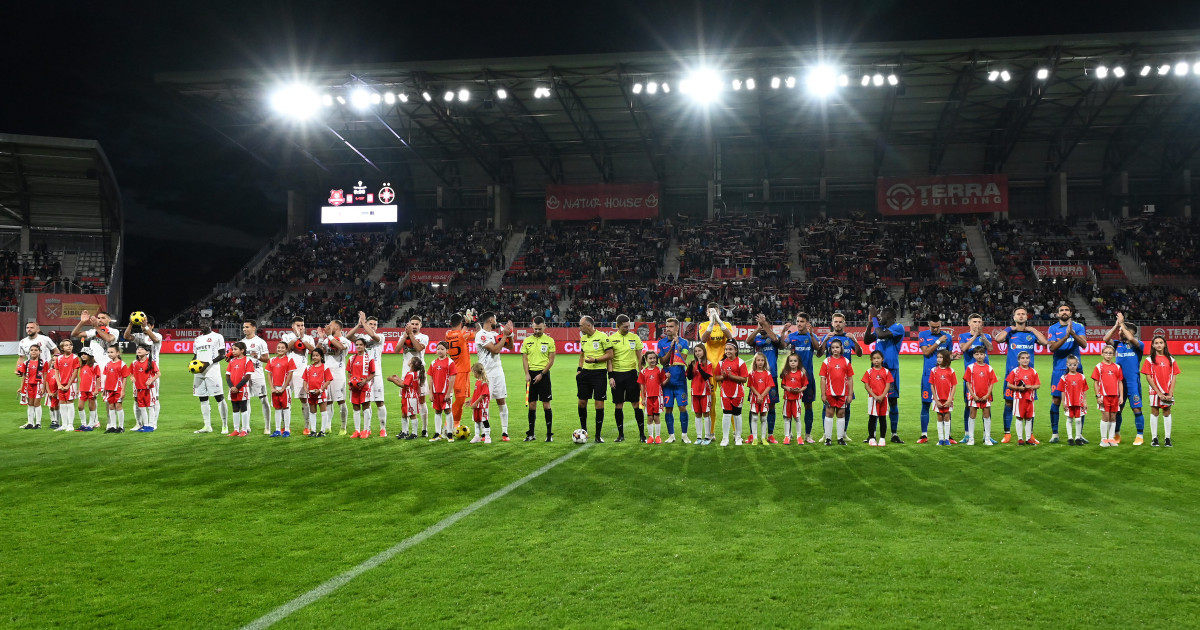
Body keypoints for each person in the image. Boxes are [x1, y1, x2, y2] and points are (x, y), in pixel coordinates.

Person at [993, 307, 1049, 443]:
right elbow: (998, 339)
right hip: (1012, 375)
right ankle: (1007, 433)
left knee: (1030, 404)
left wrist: (1034, 330)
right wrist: (1008, 329)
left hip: (1029, 376)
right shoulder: (1010, 334)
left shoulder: (1031, 334)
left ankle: (1030, 435)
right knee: (1008, 402)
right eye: (1018, 314)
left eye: (1023, 314)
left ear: (1027, 317)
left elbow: (1045, 342)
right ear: (1014, 317)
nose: (1021, 316)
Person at [1047, 304, 1088, 446]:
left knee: (1079, 402)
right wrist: (1066, 336)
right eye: (1061, 310)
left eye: (1066, 310)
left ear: (1071, 312)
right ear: (1057, 314)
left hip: (1077, 370)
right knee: (1056, 401)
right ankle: (1055, 433)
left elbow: (1084, 345)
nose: (1064, 312)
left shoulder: (1078, 326)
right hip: (1059, 370)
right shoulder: (1053, 328)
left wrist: (1073, 333)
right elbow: (1052, 348)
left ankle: (1079, 435)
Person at [864, 306, 905, 443]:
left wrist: (875, 319)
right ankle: (872, 435)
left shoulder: (898, 327)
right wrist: (871, 322)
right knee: (874, 400)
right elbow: (867, 340)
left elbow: (881, 335)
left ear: (888, 316)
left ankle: (894, 434)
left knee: (892, 401)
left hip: (891, 369)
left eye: (881, 316)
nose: (880, 318)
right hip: (876, 370)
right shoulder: (879, 328)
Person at [1103, 314, 1145, 445]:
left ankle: (1139, 436)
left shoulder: (1139, 345)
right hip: (1119, 384)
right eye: (1120, 331)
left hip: (1133, 383)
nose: (1120, 332)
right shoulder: (1117, 344)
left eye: (1122, 330)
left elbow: (1131, 338)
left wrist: (1122, 324)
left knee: (1136, 409)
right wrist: (1116, 325)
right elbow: (1106, 339)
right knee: (1117, 410)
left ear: (1131, 332)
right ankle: (1116, 434)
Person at [346, 312, 388, 436]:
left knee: (379, 401)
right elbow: (348, 336)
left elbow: (373, 335)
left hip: (376, 374)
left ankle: (382, 428)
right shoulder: (361, 338)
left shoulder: (381, 336)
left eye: (375, 324)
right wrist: (359, 325)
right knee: (366, 403)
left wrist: (364, 323)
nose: (373, 326)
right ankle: (366, 429)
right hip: (362, 375)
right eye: (371, 324)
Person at [474, 311, 515, 440]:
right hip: (486, 374)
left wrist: (511, 335)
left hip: (498, 372)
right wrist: (504, 335)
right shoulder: (481, 335)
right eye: (495, 319)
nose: (496, 321)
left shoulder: (495, 334)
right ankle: (483, 433)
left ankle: (505, 432)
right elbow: (495, 349)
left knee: (501, 400)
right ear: (491, 320)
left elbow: (510, 347)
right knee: (483, 403)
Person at [954, 313, 993, 444]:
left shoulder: (986, 336)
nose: (977, 324)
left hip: (985, 377)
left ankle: (986, 435)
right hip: (970, 378)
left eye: (979, 322)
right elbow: (964, 349)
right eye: (975, 322)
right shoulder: (963, 336)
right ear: (969, 323)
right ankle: (967, 434)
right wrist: (975, 336)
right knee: (968, 405)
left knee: (987, 405)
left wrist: (981, 335)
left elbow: (991, 348)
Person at [699, 303, 736, 440]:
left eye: (715, 311)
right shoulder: (703, 325)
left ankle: (734, 432)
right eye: (710, 312)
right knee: (712, 401)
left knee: (729, 398)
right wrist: (711, 323)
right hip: (709, 368)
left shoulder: (725, 324)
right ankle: (711, 432)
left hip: (724, 367)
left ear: (720, 312)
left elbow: (730, 337)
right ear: (707, 313)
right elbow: (703, 339)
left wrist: (719, 322)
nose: (713, 313)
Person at [822, 312, 862, 438]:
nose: (838, 324)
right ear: (832, 323)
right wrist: (825, 341)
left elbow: (860, 353)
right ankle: (826, 433)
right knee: (827, 406)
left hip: (845, 379)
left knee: (847, 405)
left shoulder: (849, 338)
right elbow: (818, 354)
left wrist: (855, 340)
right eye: (836, 321)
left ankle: (843, 432)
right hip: (830, 380)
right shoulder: (827, 337)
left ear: (844, 323)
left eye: (840, 322)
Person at [784, 312, 822, 443]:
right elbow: (782, 345)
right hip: (792, 377)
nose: (799, 324)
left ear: (807, 323)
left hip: (808, 377)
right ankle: (789, 433)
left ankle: (807, 434)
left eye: (802, 321)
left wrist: (811, 334)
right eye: (797, 321)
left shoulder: (812, 336)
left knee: (808, 405)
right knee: (790, 404)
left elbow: (819, 352)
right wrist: (784, 332)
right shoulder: (792, 336)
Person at [916, 315, 953, 443]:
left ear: (941, 324)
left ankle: (948, 435)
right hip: (928, 375)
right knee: (925, 403)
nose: (935, 329)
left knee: (947, 404)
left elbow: (948, 355)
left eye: (937, 327)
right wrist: (938, 342)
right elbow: (926, 352)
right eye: (933, 327)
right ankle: (924, 435)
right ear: (928, 324)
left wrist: (952, 357)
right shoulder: (923, 334)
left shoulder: (947, 337)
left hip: (944, 376)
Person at [609, 314, 646, 442]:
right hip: (617, 375)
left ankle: (642, 435)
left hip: (631, 374)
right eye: (625, 327)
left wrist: (642, 372)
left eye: (629, 326)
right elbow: (609, 359)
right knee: (618, 405)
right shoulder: (612, 339)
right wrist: (611, 376)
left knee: (636, 404)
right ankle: (620, 435)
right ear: (618, 326)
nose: (628, 328)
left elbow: (640, 357)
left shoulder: (634, 338)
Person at [576, 316, 613, 442]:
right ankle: (584, 431)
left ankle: (598, 435)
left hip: (599, 374)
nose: (579, 327)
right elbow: (582, 355)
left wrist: (595, 360)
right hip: (585, 373)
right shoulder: (583, 338)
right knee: (581, 402)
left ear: (588, 325)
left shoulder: (603, 337)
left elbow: (610, 355)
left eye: (581, 325)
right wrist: (579, 369)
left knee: (599, 403)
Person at [656, 317, 691, 443]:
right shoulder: (661, 343)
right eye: (667, 326)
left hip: (680, 380)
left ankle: (684, 435)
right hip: (667, 382)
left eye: (671, 326)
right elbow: (662, 361)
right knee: (668, 409)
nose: (668, 329)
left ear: (677, 328)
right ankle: (671, 435)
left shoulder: (684, 342)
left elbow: (683, 358)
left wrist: (677, 346)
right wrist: (671, 347)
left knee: (682, 407)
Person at [191, 318, 229, 434]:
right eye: (200, 323)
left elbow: (222, 354)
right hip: (199, 372)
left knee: (219, 397)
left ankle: (224, 425)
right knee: (202, 398)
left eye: (205, 323)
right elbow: (195, 355)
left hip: (212, 371)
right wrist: (191, 365)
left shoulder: (217, 337)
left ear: (210, 324)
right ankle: (207, 426)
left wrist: (208, 363)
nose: (202, 325)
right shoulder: (197, 339)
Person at [748, 314, 782, 444]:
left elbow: (776, 340)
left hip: (770, 376)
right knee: (753, 405)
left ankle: (770, 435)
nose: (762, 326)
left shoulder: (773, 337)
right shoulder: (756, 339)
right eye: (760, 323)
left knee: (771, 406)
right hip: (756, 377)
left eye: (764, 323)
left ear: (769, 325)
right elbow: (747, 342)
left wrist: (765, 326)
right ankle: (752, 435)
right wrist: (758, 328)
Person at [279, 317, 316, 435]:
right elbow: (284, 349)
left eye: (302, 325)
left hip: (302, 371)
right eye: (298, 325)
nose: (300, 327)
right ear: (292, 326)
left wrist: (302, 338)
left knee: (304, 399)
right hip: (288, 371)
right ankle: (285, 426)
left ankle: (307, 426)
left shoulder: (308, 337)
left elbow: (313, 350)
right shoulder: (286, 336)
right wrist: (296, 337)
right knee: (285, 399)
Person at [521, 316, 555, 442]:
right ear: (532, 326)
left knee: (546, 405)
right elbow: (524, 358)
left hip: (544, 375)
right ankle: (531, 434)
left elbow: (551, 361)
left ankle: (549, 435)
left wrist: (542, 374)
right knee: (532, 405)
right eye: (535, 329)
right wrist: (526, 373)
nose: (537, 331)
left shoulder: (550, 340)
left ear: (544, 327)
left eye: (539, 329)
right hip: (530, 375)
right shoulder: (527, 341)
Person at [1141, 335, 1179, 447]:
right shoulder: (1149, 360)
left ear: (1165, 344)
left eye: (1161, 342)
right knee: (1155, 412)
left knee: (1167, 412)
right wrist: (1158, 392)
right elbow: (1148, 377)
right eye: (1156, 343)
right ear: (1152, 345)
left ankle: (1167, 438)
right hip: (1154, 391)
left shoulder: (1171, 359)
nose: (1158, 345)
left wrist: (1170, 392)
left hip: (1167, 390)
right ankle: (1154, 438)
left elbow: (1174, 376)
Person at [128, 315, 164, 430]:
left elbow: (156, 340)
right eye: (142, 325)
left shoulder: (157, 335)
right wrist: (130, 324)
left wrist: (146, 328)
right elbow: (126, 336)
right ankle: (139, 423)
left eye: (147, 325)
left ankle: (153, 423)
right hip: (138, 372)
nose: (144, 327)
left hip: (152, 373)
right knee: (136, 398)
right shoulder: (139, 336)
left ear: (152, 326)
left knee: (154, 398)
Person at [318, 320, 351, 436]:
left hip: (338, 375)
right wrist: (322, 339)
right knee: (328, 401)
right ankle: (328, 426)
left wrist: (330, 336)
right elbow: (316, 352)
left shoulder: (345, 340)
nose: (327, 326)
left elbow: (340, 348)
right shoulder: (327, 339)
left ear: (337, 327)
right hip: (326, 374)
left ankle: (343, 427)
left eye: (330, 325)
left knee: (341, 401)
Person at [239, 319, 272, 436]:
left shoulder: (260, 342)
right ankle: (246, 426)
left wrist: (257, 356)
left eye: (247, 327)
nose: (244, 329)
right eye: (244, 327)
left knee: (263, 399)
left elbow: (267, 359)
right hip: (244, 375)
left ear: (254, 328)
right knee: (246, 399)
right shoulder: (241, 342)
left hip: (257, 374)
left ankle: (267, 426)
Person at [399, 316, 431, 436]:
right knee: (405, 400)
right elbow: (397, 349)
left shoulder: (424, 337)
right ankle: (405, 430)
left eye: (416, 324)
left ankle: (424, 429)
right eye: (412, 323)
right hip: (406, 373)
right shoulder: (404, 336)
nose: (414, 326)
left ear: (420, 325)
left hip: (419, 374)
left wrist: (410, 335)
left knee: (421, 400)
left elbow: (418, 348)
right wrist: (404, 336)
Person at [17, 320, 58, 412]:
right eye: (27, 328)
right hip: (31, 373)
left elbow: (56, 351)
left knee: (50, 395)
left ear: (38, 329)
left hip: (46, 371)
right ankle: (31, 421)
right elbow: (21, 357)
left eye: (32, 327)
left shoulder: (45, 339)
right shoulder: (23, 342)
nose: (29, 329)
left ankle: (54, 420)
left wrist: (50, 363)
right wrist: (18, 369)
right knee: (30, 396)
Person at [819, 339, 853, 446]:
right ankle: (828, 438)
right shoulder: (826, 361)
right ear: (830, 349)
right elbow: (823, 378)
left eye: (837, 347)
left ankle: (840, 438)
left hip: (842, 393)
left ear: (841, 348)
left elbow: (850, 378)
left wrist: (850, 394)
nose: (835, 349)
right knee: (829, 413)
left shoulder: (846, 361)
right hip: (830, 393)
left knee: (841, 414)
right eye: (833, 347)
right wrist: (823, 394)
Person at [443, 312, 474, 431]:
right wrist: (472, 322)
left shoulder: (448, 334)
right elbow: (475, 334)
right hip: (462, 370)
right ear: (460, 323)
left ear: (450, 323)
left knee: (460, 400)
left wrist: (466, 323)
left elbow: (461, 333)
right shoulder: (463, 334)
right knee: (460, 399)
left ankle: (456, 423)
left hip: (455, 368)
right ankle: (447, 425)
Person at [963, 345, 999, 446]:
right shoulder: (970, 367)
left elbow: (992, 383)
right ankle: (971, 439)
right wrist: (973, 395)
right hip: (973, 396)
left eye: (981, 354)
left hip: (986, 396)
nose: (979, 356)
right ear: (974, 355)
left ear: (985, 355)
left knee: (986, 415)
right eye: (977, 354)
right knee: (972, 415)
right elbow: (968, 383)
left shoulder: (989, 368)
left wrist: (988, 394)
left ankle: (987, 439)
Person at [716, 341, 748, 447]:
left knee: (737, 415)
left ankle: (738, 437)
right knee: (726, 415)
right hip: (725, 393)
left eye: (730, 349)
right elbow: (716, 377)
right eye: (726, 349)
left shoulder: (741, 362)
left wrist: (732, 376)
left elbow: (744, 379)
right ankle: (725, 438)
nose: (728, 351)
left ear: (736, 350)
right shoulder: (721, 363)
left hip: (738, 393)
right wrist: (723, 377)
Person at [1092, 345, 1125, 447]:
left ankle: (1111, 438)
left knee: (1113, 417)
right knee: (1105, 416)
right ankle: (1103, 439)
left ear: (1113, 354)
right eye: (1106, 353)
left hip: (1115, 396)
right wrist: (1098, 396)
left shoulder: (1117, 367)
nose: (1108, 355)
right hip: (1104, 396)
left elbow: (1120, 382)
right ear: (1102, 354)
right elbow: (1096, 382)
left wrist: (1121, 396)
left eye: (1110, 353)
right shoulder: (1099, 366)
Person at [1006, 351, 1041, 446]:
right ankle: (1020, 439)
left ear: (1029, 359)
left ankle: (1029, 438)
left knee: (1029, 418)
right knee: (1019, 417)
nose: (1025, 360)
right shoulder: (1015, 371)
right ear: (1018, 360)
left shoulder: (1033, 371)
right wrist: (1018, 388)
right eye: (1023, 358)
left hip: (1030, 398)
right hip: (1019, 398)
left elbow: (1038, 385)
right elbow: (1009, 384)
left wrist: (1031, 387)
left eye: (1027, 358)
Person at [860, 349, 894, 447]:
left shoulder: (886, 371)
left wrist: (882, 395)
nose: (876, 360)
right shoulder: (869, 372)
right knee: (872, 418)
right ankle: (871, 438)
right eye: (874, 358)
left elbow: (888, 385)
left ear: (882, 359)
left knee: (883, 418)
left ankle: (882, 438)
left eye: (878, 358)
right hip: (872, 398)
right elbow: (866, 385)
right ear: (871, 360)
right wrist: (874, 396)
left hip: (884, 399)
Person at [427, 341, 457, 441]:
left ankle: (449, 433)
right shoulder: (433, 363)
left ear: (447, 351)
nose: (440, 351)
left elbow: (453, 378)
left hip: (446, 392)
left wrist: (449, 392)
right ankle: (437, 434)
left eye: (442, 349)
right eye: (438, 349)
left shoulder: (450, 362)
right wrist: (430, 392)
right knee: (437, 411)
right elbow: (430, 378)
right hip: (436, 392)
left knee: (448, 411)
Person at [389, 357, 425, 440]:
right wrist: (398, 378)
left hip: (410, 397)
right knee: (404, 414)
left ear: (411, 364)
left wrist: (393, 380)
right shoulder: (414, 373)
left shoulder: (411, 374)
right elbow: (406, 383)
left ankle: (414, 433)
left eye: (410, 360)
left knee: (412, 415)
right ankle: (404, 432)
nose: (408, 361)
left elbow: (404, 385)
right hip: (408, 397)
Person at [267, 341, 298, 437]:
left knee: (286, 408)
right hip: (274, 389)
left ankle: (287, 429)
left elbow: (290, 374)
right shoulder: (272, 360)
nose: (280, 349)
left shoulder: (289, 360)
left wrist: (284, 388)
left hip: (285, 389)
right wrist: (272, 388)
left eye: (282, 348)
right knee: (277, 409)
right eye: (278, 347)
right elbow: (269, 374)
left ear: (286, 349)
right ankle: (277, 429)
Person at [301, 347, 332, 437]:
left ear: (321, 357)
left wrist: (321, 390)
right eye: (313, 356)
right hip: (311, 393)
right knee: (312, 411)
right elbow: (305, 379)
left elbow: (328, 380)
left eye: (317, 355)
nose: (314, 357)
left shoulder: (325, 367)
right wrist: (305, 388)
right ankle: (313, 431)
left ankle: (322, 430)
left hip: (321, 393)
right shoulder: (308, 368)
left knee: (323, 411)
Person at [779, 353, 810, 445]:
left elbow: (805, 386)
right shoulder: (786, 373)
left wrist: (799, 390)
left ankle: (799, 437)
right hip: (787, 399)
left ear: (798, 362)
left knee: (797, 418)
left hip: (797, 399)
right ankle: (787, 436)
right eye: (791, 361)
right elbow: (783, 385)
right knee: (787, 418)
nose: (793, 363)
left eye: (795, 361)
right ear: (788, 362)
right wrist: (788, 388)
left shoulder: (801, 373)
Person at [686, 346, 715, 445]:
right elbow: (689, 377)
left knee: (706, 414)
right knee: (697, 414)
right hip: (695, 392)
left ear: (704, 351)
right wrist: (690, 367)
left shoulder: (709, 363)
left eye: (700, 351)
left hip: (705, 392)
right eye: (696, 351)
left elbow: (706, 376)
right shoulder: (693, 363)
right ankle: (699, 437)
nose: (698, 353)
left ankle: (707, 437)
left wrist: (698, 366)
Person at [747, 351, 776, 446]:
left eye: (762, 360)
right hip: (754, 398)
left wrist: (762, 395)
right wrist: (758, 395)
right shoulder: (751, 373)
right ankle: (755, 438)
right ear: (755, 361)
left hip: (764, 398)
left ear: (765, 362)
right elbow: (751, 385)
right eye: (758, 360)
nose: (760, 362)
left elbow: (769, 386)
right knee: (754, 417)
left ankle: (763, 438)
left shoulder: (767, 373)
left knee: (763, 418)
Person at [638, 351, 668, 443]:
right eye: (650, 358)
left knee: (656, 417)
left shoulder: (659, 370)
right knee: (650, 418)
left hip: (658, 397)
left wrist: (668, 378)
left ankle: (658, 437)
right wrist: (643, 398)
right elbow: (642, 385)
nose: (653, 360)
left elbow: (662, 384)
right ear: (646, 360)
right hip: (648, 398)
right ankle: (651, 437)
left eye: (654, 358)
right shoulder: (643, 372)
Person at [225, 341, 254, 437]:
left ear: (242, 350)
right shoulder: (232, 361)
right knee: (235, 408)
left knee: (243, 408)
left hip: (242, 388)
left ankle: (244, 429)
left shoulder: (247, 360)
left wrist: (237, 387)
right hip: (233, 389)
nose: (232, 351)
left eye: (235, 349)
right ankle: (236, 429)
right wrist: (231, 387)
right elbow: (227, 376)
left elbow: (247, 376)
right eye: (232, 349)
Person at [1058, 356, 1088, 446]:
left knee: (1078, 420)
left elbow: (1084, 390)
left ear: (1077, 365)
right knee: (1069, 419)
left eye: (1074, 365)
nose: (1072, 366)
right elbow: (1062, 391)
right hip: (1069, 402)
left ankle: (1078, 437)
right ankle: (1070, 438)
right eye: (1070, 365)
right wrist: (1063, 402)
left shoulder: (1081, 377)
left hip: (1079, 402)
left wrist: (1085, 401)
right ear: (1067, 365)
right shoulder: (1064, 377)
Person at [929, 350, 957, 446]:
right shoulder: (934, 370)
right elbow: (932, 385)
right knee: (939, 416)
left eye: (941, 357)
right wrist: (936, 400)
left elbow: (954, 386)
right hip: (937, 398)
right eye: (938, 357)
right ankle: (940, 439)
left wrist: (950, 399)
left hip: (947, 398)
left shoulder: (951, 371)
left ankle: (947, 439)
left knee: (947, 416)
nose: (939, 359)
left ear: (945, 358)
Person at [16, 343, 47, 429]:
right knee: (30, 403)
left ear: (39, 352)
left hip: (38, 385)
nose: (33, 352)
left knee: (36, 403)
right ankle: (30, 423)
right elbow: (24, 376)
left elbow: (45, 375)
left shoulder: (43, 363)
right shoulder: (26, 363)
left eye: (36, 350)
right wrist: (21, 387)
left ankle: (38, 423)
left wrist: (44, 387)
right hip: (28, 385)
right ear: (29, 352)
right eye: (32, 350)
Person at [100, 346, 130, 433]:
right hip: (109, 389)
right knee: (111, 406)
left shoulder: (122, 364)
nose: (109, 354)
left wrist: (123, 390)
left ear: (117, 353)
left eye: (112, 352)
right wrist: (104, 389)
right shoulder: (108, 364)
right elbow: (106, 377)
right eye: (108, 352)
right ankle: (112, 426)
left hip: (118, 389)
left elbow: (124, 378)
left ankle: (121, 427)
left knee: (118, 406)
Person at [130, 344, 159, 432]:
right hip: (139, 388)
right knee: (141, 407)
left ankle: (151, 424)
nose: (139, 350)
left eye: (142, 349)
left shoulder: (151, 362)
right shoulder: (134, 363)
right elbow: (130, 372)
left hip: (149, 389)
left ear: (147, 352)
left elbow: (158, 373)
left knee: (150, 407)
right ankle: (145, 425)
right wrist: (132, 377)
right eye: (138, 349)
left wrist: (151, 380)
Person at [53, 339, 80, 432]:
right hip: (61, 384)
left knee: (70, 403)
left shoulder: (75, 358)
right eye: (66, 345)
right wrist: (59, 384)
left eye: (70, 345)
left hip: (71, 384)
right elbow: (56, 371)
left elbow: (75, 372)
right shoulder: (59, 358)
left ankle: (70, 425)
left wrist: (69, 385)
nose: (69, 346)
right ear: (62, 348)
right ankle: (64, 424)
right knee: (62, 404)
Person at [76, 349, 101, 431]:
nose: (82, 356)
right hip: (83, 389)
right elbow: (81, 378)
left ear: (89, 355)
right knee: (80, 406)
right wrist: (78, 388)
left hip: (91, 389)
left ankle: (90, 424)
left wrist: (96, 389)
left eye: (84, 354)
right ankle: (83, 424)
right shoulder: (82, 366)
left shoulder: (94, 365)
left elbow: (98, 377)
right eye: (81, 354)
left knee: (91, 407)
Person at [468, 363, 492, 444]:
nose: (472, 374)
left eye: (473, 372)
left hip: (483, 406)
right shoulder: (477, 382)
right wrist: (471, 400)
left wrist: (476, 402)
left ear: (475, 372)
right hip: (476, 405)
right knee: (477, 420)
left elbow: (484, 394)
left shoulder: (483, 382)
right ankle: (477, 436)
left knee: (485, 421)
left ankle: (488, 437)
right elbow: (477, 394)